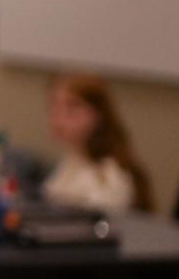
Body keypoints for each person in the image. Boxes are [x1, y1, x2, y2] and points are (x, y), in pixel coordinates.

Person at [43, 72, 152, 212]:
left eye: (72, 107)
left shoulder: (111, 176)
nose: (58, 117)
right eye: (54, 106)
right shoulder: (73, 161)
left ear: (99, 114)